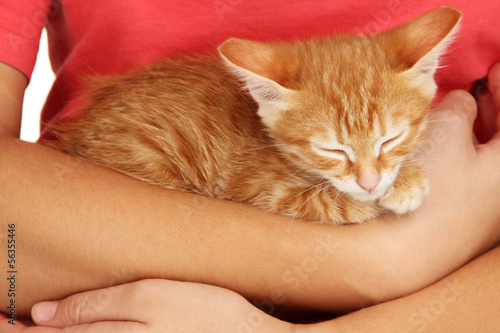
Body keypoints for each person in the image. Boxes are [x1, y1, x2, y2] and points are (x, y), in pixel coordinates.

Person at [0, 0, 499, 331]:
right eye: (336, 152)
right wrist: (394, 257)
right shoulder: (268, 128)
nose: (369, 178)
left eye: (389, 142)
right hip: (90, 278)